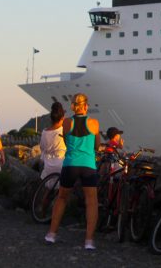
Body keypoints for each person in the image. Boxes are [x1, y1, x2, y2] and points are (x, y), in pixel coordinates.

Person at [46, 93, 100, 249]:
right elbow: (96, 146)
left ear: (73, 106)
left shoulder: (67, 122)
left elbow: (65, 141)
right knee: (91, 202)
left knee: (62, 198)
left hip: (70, 164)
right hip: (88, 166)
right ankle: (89, 241)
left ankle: (51, 234)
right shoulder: (94, 124)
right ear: (86, 106)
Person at [40, 102, 66, 179]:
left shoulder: (44, 132)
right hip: (62, 165)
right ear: (62, 118)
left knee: (47, 186)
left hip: (48, 167)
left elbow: (42, 149)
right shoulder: (63, 131)